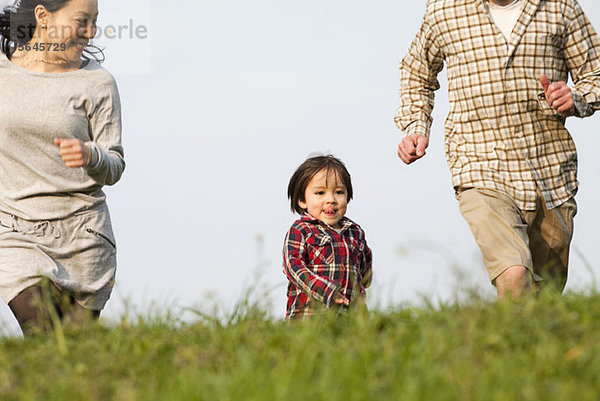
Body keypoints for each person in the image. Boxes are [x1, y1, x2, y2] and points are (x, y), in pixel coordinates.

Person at [395, 0, 600, 298]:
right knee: (514, 273)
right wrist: (416, 126)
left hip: (550, 171)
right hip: (478, 164)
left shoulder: (560, 7)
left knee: (545, 297)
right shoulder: (444, 9)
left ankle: (509, 343)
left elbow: (595, 74)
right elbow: (417, 72)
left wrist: (576, 97)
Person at [0, 0, 125, 334]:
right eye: (82, 21)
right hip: (14, 229)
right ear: (43, 16)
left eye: (94, 22)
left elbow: (115, 166)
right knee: (41, 331)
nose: (91, 32)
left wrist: (90, 155)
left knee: (73, 356)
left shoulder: (97, 83)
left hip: (83, 237)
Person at [283, 155, 372, 319]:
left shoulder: (355, 231)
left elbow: (364, 269)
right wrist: (324, 289)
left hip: (351, 318)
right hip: (310, 316)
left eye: (339, 192)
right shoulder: (301, 230)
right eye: (320, 193)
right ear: (302, 200)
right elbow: (293, 266)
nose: (331, 200)